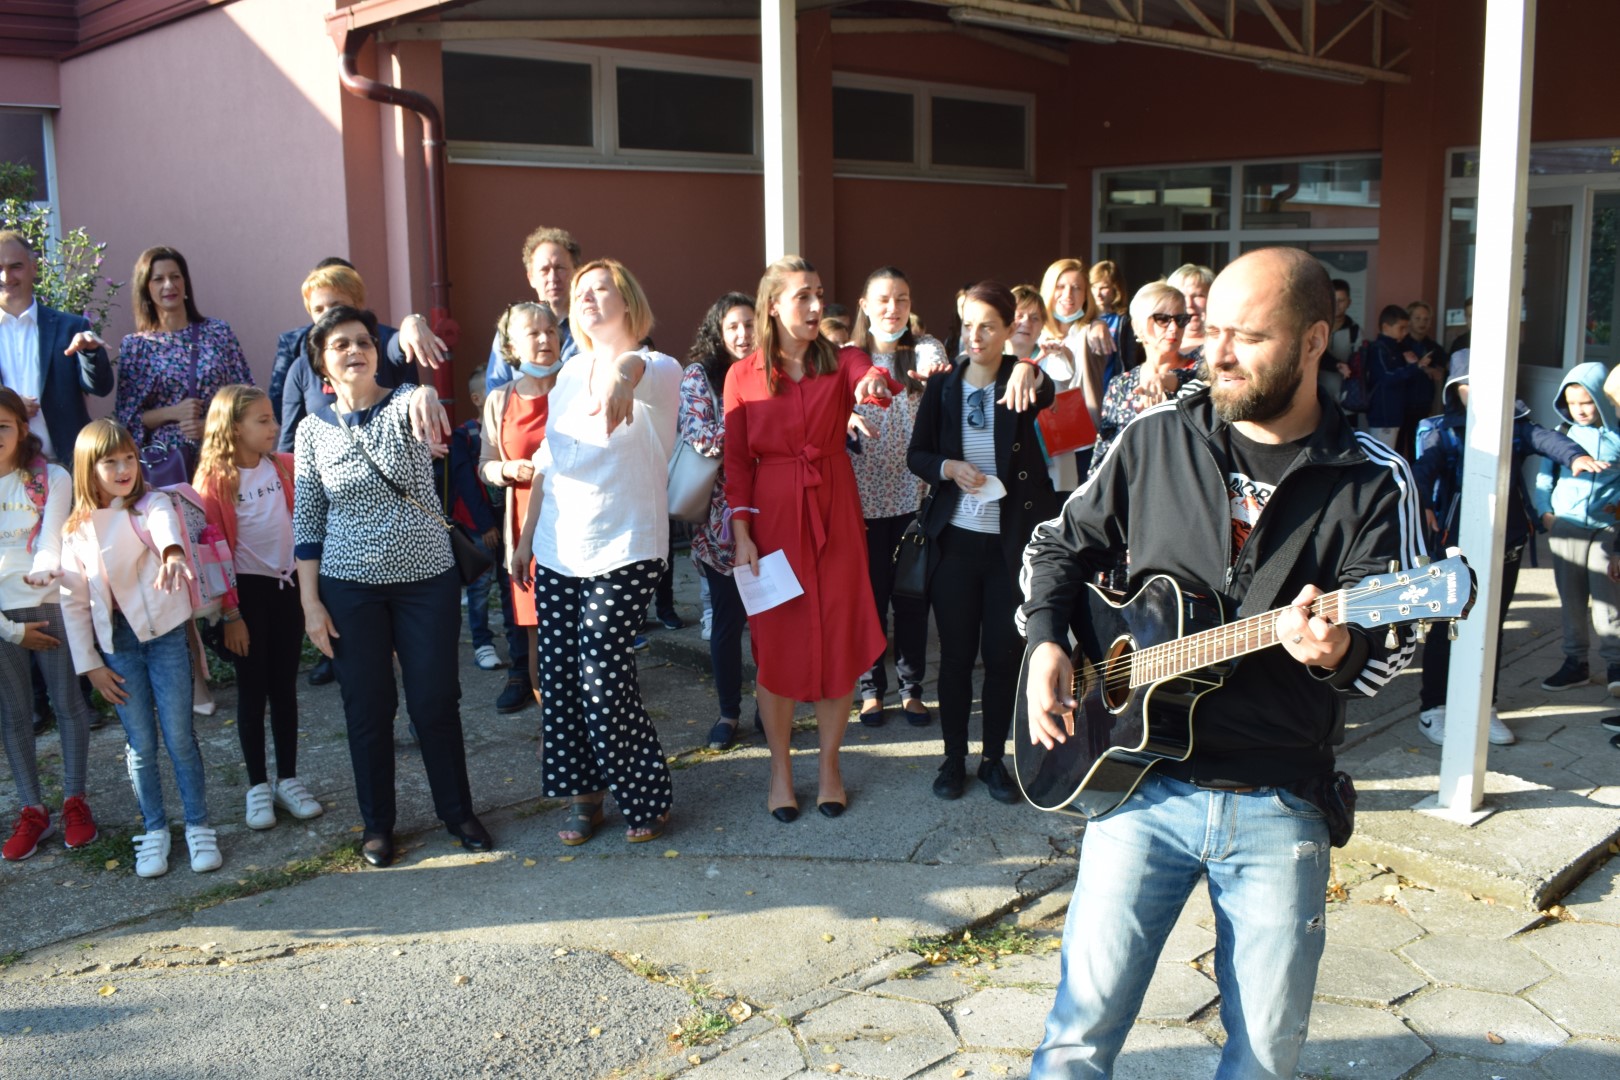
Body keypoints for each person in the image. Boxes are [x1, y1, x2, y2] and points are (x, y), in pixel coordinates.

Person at [1023, 247, 1424, 1078]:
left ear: (1314, 341)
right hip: (1137, 786)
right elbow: (1056, 545)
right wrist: (1047, 641)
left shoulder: (1373, 480)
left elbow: (1395, 647)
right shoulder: (1156, 438)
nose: (1219, 354)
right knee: (1076, 1037)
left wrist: (1341, 649)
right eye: (1215, 331)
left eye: (1251, 336)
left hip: (1279, 798)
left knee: (1265, 1057)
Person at [293, 305, 491, 869]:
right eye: (340, 345)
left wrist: (425, 388)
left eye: (363, 341)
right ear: (322, 363)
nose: (355, 350)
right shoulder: (311, 431)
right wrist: (310, 604)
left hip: (426, 581)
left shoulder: (405, 403)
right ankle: (378, 825)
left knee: (434, 701)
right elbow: (307, 522)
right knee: (368, 707)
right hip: (349, 588)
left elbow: (419, 396)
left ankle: (457, 813)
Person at [509, 259, 679, 846]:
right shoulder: (568, 372)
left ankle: (645, 796)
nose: (584, 297)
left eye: (599, 288)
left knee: (603, 676)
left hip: (626, 545)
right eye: (579, 291)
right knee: (559, 681)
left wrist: (620, 376)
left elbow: (638, 370)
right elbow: (549, 464)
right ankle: (584, 799)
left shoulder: (660, 367)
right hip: (558, 546)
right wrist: (526, 538)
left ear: (627, 300)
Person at [724, 255, 900, 822]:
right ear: (773, 304)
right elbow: (737, 463)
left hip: (835, 512)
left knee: (839, 640)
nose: (817, 305)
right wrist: (742, 533)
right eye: (803, 295)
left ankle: (829, 766)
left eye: (819, 294)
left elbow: (867, 375)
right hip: (773, 517)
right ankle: (780, 769)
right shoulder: (742, 374)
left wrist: (873, 382)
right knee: (776, 645)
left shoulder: (842, 358)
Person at [907, 282, 1055, 802]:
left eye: (988, 326)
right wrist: (948, 467)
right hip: (955, 543)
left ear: (1009, 328)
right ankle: (953, 758)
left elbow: (1049, 392)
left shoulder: (1021, 379)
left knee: (1002, 656)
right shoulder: (944, 386)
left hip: (1009, 547)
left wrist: (1030, 367)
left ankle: (994, 760)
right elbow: (918, 454)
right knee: (954, 657)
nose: (976, 336)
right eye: (969, 325)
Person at [59, 420, 218, 879]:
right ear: (89, 468)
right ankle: (154, 829)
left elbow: (165, 527)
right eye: (110, 461)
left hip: (165, 637)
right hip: (118, 648)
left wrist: (173, 553)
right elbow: (73, 604)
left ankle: (197, 823)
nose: (123, 468)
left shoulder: (152, 502)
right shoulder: (76, 531)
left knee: (180, 737)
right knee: (141, 744)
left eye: (128, 457)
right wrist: (90, 665)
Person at [1413, 353, 1595, 746]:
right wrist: (1422, 500)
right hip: (1454, 548)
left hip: (1505, 544)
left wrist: (1575, 456)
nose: (1478, 393)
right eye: (1468, 385)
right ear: (1455, 390)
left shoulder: (1516, 426)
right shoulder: (1440, 430)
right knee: (1446, 626)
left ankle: (1485, 706)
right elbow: (1422, 470)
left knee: (1490, 626)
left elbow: (1546, 439)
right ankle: (1434, 708)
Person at [195, 384, 323, 829]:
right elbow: (212, 557)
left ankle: (287, 779)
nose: (274, 427)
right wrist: (231, 615)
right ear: (234, 428)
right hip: (246, 598)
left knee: (285, 687)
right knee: (252, 692)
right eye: (263, 420)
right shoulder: (214, 483)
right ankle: (256, 786)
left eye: (273, 418)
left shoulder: (284, 466)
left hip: (288, 589)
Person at [0, 390, 99, 861]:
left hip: (49, 604)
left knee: (68, 703)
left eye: (3, 426)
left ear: (22, 428)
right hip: (3, 623)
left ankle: (75, 802)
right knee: (15, 715)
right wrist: (11, 631)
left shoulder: (50, 477)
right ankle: (32, 811)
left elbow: (51, 542)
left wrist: (43, 574)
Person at [848, 267, 947, 729]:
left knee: (911, 598)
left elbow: (935, 367)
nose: (893, 308)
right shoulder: (847, 357)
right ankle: (870, 690)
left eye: (902, 299)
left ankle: (911, 688)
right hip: (861, 502)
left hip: (914, 499)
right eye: (884, 299)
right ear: (864, 305)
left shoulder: (924, 349)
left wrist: (935, 377)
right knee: (869, 599)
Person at [680, 292, 756, 750]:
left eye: (750, 324)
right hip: (720, 521)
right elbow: (701, 436)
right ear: (718, 332)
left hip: (774, 510)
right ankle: (729, 712)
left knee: (772, 618)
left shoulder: (774, 369)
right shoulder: (700, 375)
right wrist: (758, 427)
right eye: (733, 326)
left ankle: (773, 704)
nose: (743, 334)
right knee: (728, 622)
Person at [479, 301, 563, 713]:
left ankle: (589, 726)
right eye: (534, 333)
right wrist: (506, 469)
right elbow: (484, 465)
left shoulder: (578, 384)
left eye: (551, 330)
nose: (546, 339)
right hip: (525, 527)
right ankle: (554, 727)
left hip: (579, 521)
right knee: (537, 634)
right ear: (511, 345)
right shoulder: (500, 399)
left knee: (585, 630)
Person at [115, 246, 254, 478]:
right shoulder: (136, 346)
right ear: (146, 288)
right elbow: (127, 420)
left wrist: (211, 425)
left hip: (222, 455)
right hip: (167, 466)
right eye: (158, 279)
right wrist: (172, 412)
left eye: (175, 276)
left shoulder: (218, 332)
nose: (169, 285)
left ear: (185, 283)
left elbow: (247, 397)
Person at [1534, 362, 1620, 696]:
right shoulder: (1563, 433)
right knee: (1571, 600)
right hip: (1566, 526)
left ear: (1602, 400)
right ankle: (1576, 663)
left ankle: (1615, 664)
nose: (1580, 410)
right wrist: (1546, 511)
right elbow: (1545, 475)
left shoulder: (1617, 435)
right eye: (1572, 404)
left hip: (1606, 530)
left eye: (1587, 402)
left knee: (1608, 603)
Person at [0, 230, 115, 464]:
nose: (5, 276)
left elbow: (101, 388)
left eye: (15, 266)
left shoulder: (70, 327)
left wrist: (90, 353)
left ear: (34, 268)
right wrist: (10, 407)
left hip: (64, 466)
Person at [274, 263, 405, 446]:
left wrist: (413, 322)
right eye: (318, 309)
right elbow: (289, 443)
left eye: (336, 305)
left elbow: (411, 399)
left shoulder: (381, 349)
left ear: (357, 305)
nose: (327, 314)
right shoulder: (301, 369)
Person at [1085, 283, 1203, 481]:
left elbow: (1206, 377)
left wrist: (1169, 379)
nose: (1173, 328)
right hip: (1134, 487)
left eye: (1181, 319)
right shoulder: (1120, 385)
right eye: (1162, 319)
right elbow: (1102, 459)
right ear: (1138, 326)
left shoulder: (1201, 370)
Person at [1036, 258, 1109, 488]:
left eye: (1077, 288)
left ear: (1086, 295)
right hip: (1037, 438)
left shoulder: (1090, 333)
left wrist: (1098, 323)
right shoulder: (1033, 331)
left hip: (1079, 440)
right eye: (1061, 286)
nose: (1068, 294)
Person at [452, 370, 504, 673]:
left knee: (511, 584)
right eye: (492, 388)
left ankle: (516, 637)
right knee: (480, 586)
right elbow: (467, 485)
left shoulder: (507, 428)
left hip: (507, 522)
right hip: (478, 525)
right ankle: (482, 643)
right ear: (477, 398)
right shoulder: (467, 435)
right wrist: (484, 525)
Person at [1359, 304, 1435, 458]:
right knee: (1382, 457)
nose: (1405, 332)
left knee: (1392, 455)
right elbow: (1387, 377)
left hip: (1395, 413)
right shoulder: (1379, 349)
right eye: (1401, 328)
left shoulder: (1398, 348)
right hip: (1383, 413)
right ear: (1386, 327)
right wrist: (1415, 367)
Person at [1165, 263, 1213, 366]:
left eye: (1197, 296)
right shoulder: (1157, 344)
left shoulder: (1221, 346)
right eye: (1181, 296)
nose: (1189, 304)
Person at [1323, 277, 1359, 407]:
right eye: (1333, 300)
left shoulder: (1355, 331)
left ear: (1349, 302)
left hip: (1346, 397)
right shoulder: (1315, 328)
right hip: (1317, 396)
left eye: (1341, 300)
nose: (1337, 305)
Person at [1088, 260, 1128, 344]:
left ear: (1116, 289)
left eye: (1103, 288)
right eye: (1094, 287)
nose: (1097, 293)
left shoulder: (1124, 320)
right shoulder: (1084, 317)